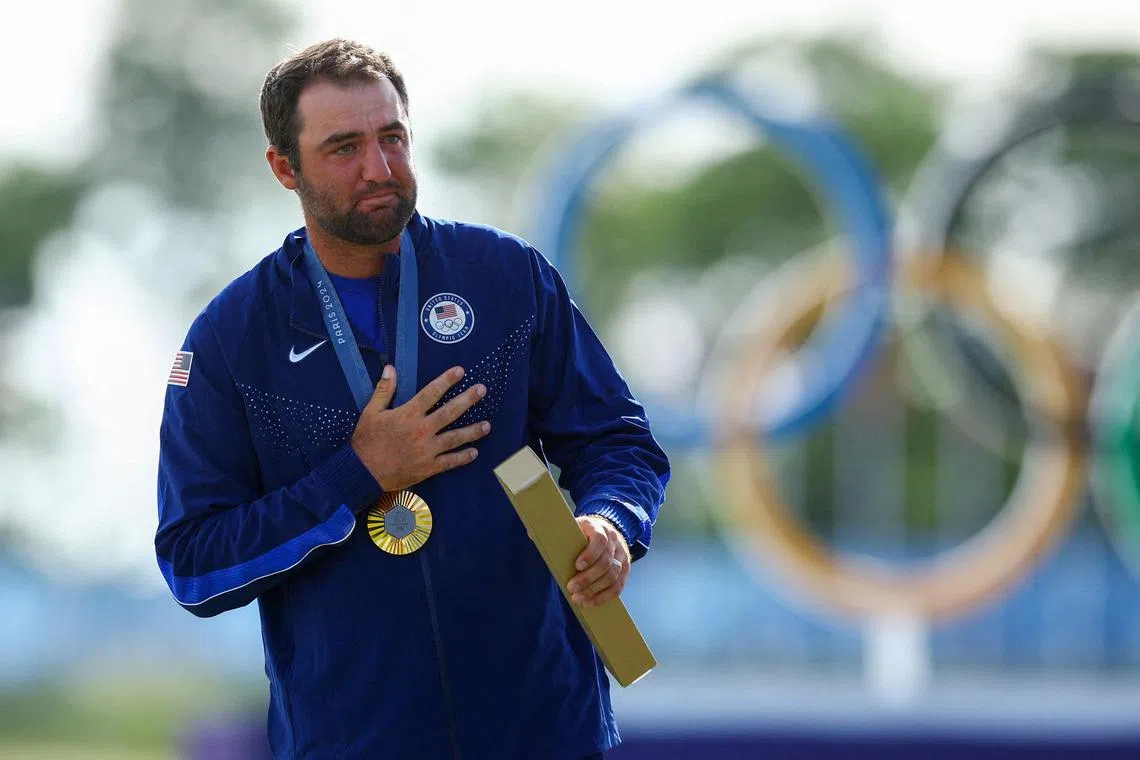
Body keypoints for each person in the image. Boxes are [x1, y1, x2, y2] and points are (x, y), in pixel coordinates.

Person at [155, 38, 670, 760]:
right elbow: (193, 564)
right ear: (284, 167)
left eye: (391, 136)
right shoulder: (231, 339)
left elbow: (617, 441)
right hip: (353, 742)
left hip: (544, 731)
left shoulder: (507, 277)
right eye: (344, 148)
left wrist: (612, 520)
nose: (381, 169)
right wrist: (359, 473)